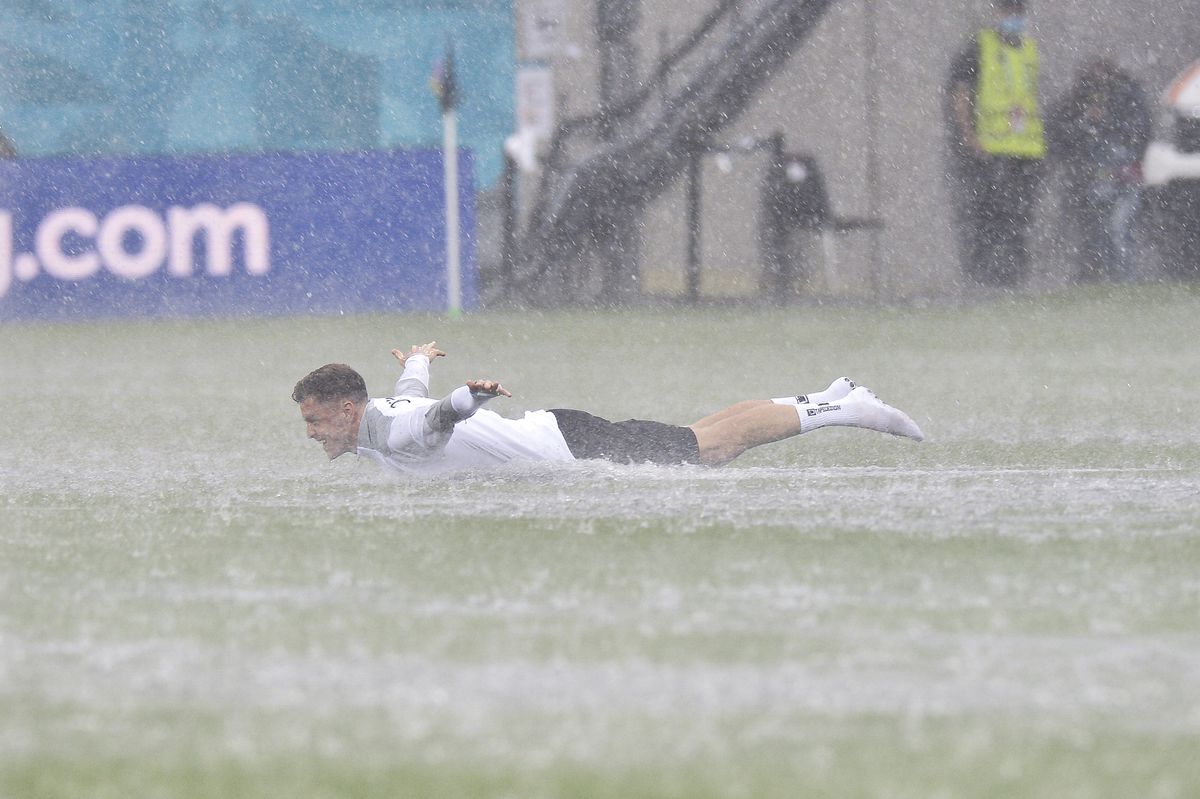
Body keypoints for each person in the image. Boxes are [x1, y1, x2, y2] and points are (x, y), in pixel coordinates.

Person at [292, 341, 924, 475]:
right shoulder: (382, 410)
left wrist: (468, 396)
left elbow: (432, 418)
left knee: (713, 447)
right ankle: (830, 395)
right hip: (560, 430)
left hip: (567, 447)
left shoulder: (391, 432)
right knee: (699, 435)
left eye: (317, 421)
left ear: (350, 410)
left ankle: (844, 409)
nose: (313, 435)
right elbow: (414, 388)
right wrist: (422, 357)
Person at [946, 0, 1047, 287]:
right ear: (997, 13)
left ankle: (1014, 280)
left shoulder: (1029, 48)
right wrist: (969, 136)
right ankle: (983, 280)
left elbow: (1030, 96)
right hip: (991, 150)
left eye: (1019, 12)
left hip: (1026, 150)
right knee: (988, 217)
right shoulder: (979, 47)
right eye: (1009, 12)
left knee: (1019, 220)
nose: (1014, 18)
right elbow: (961, 94)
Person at [1047, 58, 1152, 282]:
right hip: (1092, 180)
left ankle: (1122, 279)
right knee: (1099, 232)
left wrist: (1101, 125)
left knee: (1116, 229)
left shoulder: (1128, 99)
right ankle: (1106, 278)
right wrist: (1087, 123)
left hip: (1120, 179)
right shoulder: (1077, 102)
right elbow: (1060, 137)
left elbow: (1139, 133)